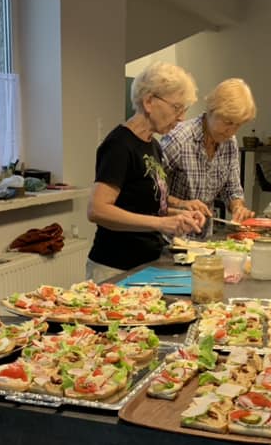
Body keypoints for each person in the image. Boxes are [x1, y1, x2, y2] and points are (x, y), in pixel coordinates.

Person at [86, 62, 205, 282]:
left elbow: (146, 206)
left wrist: (179, 215)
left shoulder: (153, 145)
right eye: (176, 108)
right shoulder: (119, 145)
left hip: (147, 264)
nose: (181, 117)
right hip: (115, 268)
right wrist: (161, 223)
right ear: (149, 101)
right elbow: (97, 210)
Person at [160, 78, 257, 226]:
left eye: (238, 125)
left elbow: (232, 189)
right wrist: (181, 203)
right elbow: (148, 190)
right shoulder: (178, 140)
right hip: (171, 231)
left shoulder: (229, 142)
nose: (231, 131)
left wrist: (238, 207)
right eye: (228, 123)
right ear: (212, 110)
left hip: (203, 234)